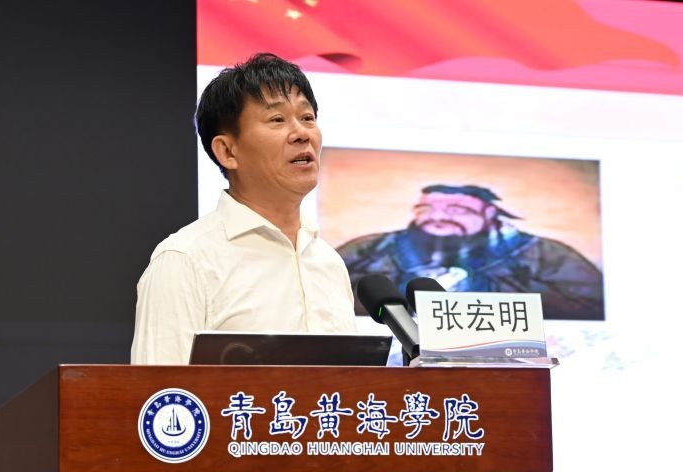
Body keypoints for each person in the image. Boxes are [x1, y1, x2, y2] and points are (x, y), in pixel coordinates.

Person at [131, 53, 356, 364]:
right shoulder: (185, 260)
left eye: (307, 118)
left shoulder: (329, 263)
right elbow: (160, 391)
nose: (302, 134)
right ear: (227, 151)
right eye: (277, 120)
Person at [337, 184, 605, 321]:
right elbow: (325, 296)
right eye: (425, 209)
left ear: (490, 214)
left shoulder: (541, 253)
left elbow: (589, 306)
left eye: (456, 210)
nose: (437, 217)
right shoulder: (372, 248)